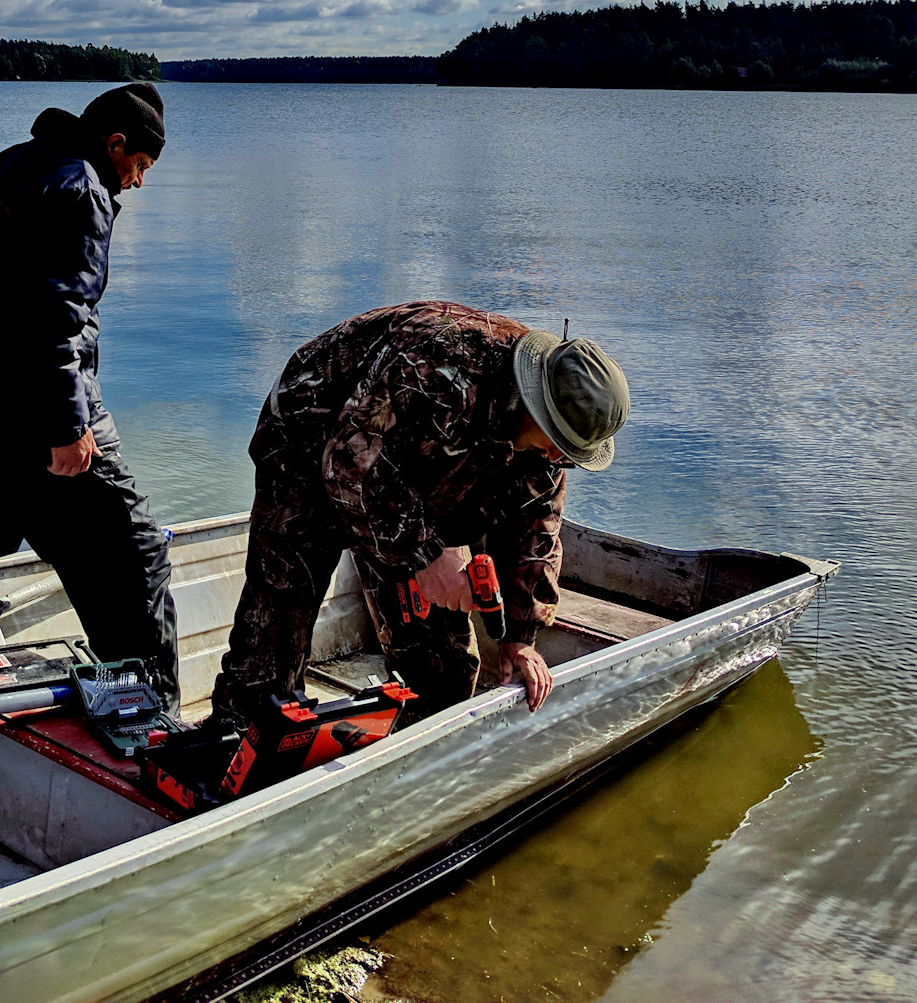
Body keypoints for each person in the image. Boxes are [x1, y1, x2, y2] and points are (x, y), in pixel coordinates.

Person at [0, 81, 179, 708]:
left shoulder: (12, 163)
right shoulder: (82, 188)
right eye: (140, 165)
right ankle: (152, 723)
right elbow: (54, 319)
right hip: (36, 418)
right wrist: (68, 426)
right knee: (136, 563)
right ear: (116, 143)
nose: (136, 182)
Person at [209, 301, 629, 729]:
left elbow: (535, 529)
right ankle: (237, 735)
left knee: (444, 668)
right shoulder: (442, 362)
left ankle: (411, 750)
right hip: (310, 438)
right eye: (559, 441)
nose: (562, 457)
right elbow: (349, 461)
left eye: (574, 452)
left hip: (416, 468)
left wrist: (519, 638)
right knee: (281, 612)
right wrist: (424, 556)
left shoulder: (552, 450)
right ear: (535, 402)